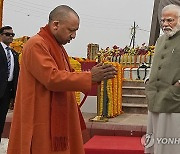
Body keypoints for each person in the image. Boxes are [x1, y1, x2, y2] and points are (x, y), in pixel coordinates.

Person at [7, 5, 117, 154]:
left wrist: (93, 76)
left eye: (76, 31)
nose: (74, 36)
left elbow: (68, 74)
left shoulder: (57, 46)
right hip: (41, 115)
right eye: (71, 30)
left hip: (57, 114)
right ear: (55, 25)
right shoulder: (36, 44)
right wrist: (90, 76)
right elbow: (52, 78)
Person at [145, 4, 180, 154]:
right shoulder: (160, 40)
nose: (165, 24)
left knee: (171, 144)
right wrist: (148, 80)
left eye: (170, 20)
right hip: (155, 97)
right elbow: (154, 63)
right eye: (163, 20)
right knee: (155, 142)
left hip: (173, 100)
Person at [0, 26, 19, 143]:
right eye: (8, 34)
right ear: (1, 35)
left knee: (1, 120)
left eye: (12, 35)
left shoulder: (14, 54)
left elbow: (16, 74)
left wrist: (15, 94)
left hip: (7, 91)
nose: (10, 37)